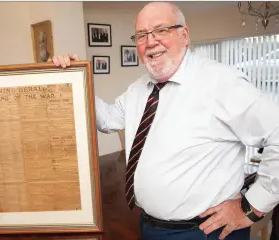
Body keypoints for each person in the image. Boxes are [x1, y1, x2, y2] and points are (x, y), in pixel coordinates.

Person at [49, 2, 279, 240]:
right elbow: (107, 119)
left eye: (161, 30)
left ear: (184, 35)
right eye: (141, 35)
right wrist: (76, 77)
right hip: (148, 226)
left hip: (205, 232)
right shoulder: (138, 89)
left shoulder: (221, 82)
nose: (150, 42)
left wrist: (252, 207)